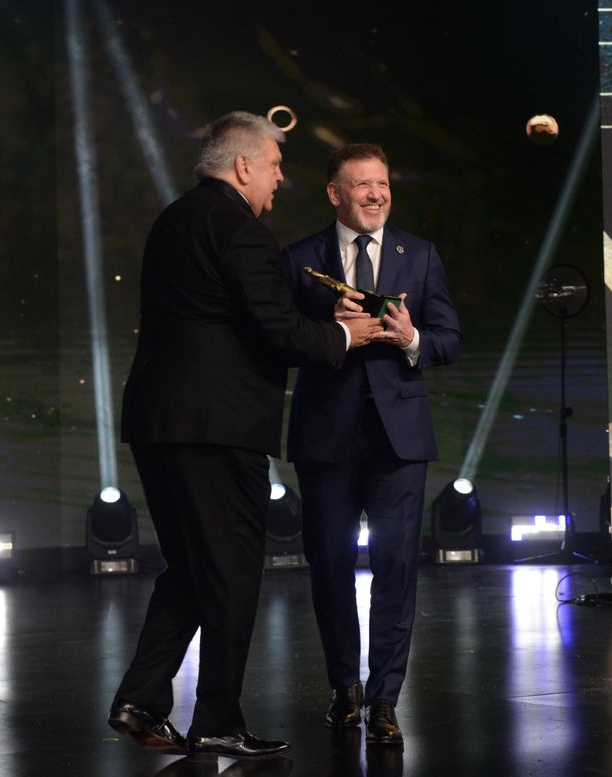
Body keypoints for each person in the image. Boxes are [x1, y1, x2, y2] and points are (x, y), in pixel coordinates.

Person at [108, 114, 381, 761]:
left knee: (194, 567)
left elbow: (229, 319)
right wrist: (347, 334)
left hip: (158, 421)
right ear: (241, 167)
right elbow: (277, 332)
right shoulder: (240, 229)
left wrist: (319, 323)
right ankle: (218, 719)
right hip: (217, 428)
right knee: (231, 569)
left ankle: (142, 697)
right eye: (275, 165)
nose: (281, 178)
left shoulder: (174, 221)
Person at [282, 143, 462, 745]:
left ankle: (384, 699)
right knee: (330, 568)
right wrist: (330, 328)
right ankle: (345, 690)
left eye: (382, 183)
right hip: (326, 439)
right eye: (362, 185)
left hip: (399, 441)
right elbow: (279, 342)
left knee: (395, 571)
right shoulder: (300, 259)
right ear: (335, 193)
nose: (376, 195)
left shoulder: (421, 255)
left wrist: (412, 338)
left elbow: (449, 340)